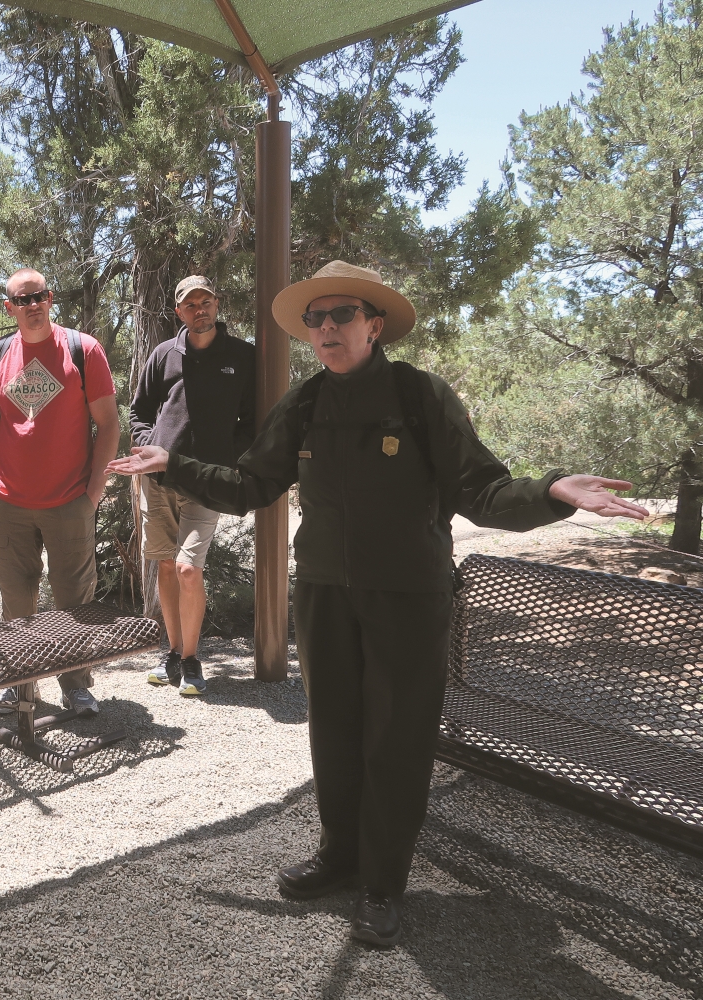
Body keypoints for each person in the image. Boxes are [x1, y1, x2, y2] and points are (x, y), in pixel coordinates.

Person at [107, 260, 649, 948]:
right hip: (326, 591)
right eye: (315, 318)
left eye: (341, 315)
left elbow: (483, 492)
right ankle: (340, 856)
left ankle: (383, 883)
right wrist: (173, 464)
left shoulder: (420, 396)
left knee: (397, 740)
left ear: (374, 324)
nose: (326, 328)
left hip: (409, 595)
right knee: (334, 728)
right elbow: (249, 485)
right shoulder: (304, 403)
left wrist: (551, 493)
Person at [0, 268, 120, 717]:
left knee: (74, 601)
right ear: (9, 307)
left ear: (50, 298)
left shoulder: (83, 349)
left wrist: (93, 492)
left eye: (38, 296)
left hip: (70, 501)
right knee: (16, 603)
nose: (32, 305)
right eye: (22, 299)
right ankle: (20, 684)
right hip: (10, 504)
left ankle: (75, 685)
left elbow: (109, 423)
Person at [129, 276, 256, 696]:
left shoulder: (242, 356)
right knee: (166, 565)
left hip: (206, 483)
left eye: (206, 301)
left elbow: (252, 424)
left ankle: (191, 658)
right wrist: (151, 446)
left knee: (188, 569)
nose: (199, 309)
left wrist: (224, 461)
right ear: (179, 312)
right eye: (190, 304)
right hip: (159, 480)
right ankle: (172, 652)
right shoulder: (164, 354)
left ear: (217, 304)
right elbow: (140, 411)